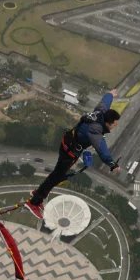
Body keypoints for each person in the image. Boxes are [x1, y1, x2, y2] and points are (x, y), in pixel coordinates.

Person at [26, 90, 121, 220]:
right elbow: (103, 151)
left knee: (57, 175)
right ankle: (34, 203)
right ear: (108, 123)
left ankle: (38, 194)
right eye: (114, 124)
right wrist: (113, 165)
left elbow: (105, 102)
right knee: (56, 177)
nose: (115, 126)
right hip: (69, 152)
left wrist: (110, 94)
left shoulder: (100, 112)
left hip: (68, 143)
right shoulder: (95, 130)